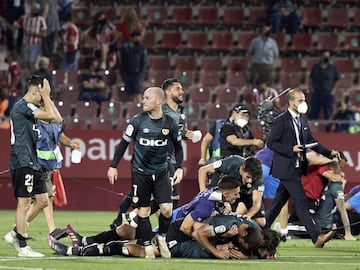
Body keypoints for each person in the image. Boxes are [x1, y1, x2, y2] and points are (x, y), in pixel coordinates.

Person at [107, 87, 184, 244]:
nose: (143, 101)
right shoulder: (137, 121)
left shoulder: (170, 123)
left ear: (158, 101)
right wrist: (113, 166)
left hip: (161, 171)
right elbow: (123, 144)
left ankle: (162, 238)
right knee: (143, 211)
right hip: (140, 172)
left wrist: (180, 168)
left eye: (147, 98)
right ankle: (147, 243)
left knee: (167, 209)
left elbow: (178, 147)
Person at [265, 88, 338, 248]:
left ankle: (261, 230)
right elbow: (271, 143)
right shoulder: (281, 120)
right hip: (286, 168)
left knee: (278, 202)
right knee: (301, 202)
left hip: (298, 167)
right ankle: (316, 237)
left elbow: (312, 141)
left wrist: (329, 152)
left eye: (304, 99)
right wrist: (290, 149)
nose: (304, 103)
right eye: (300, 100)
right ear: (291, 102)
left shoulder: (302, 120)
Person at [5, 76, 62, 257]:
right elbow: (51, 116)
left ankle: (15, 233)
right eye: (42, 93)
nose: (44, 98)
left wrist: (47, 97)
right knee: (24, 203)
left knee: (43, 200)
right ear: (34, 91)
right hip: (22, 160)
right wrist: (46, 97)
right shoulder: (22, 107)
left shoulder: (33, 108)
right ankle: (22, 246)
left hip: (33, 161)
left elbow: (57, 119)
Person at [24, 98, 80, 238]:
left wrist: (71, 145)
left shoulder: (55, 124)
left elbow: (61, 136)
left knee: (44, 199)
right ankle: (20, 229)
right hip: (36, 167)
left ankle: (47, 230)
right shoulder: (34, 125)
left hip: (48, 168)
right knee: (40, 200)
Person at [198, 155, 265, 227]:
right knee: (221, 213)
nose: (250, 181)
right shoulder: (232, 162)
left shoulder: (259, 178)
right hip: (227, 189)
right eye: (248, 177)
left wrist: (248, 216)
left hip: (246, 193)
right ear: (242, 169)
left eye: (253, 178)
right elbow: (203, 170)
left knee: (261, 222)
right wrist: (203, 193)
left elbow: (256, 203)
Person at [1, 3, 47, 73]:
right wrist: (4, 21)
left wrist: (32, 34)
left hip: (35, 44)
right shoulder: (24, 18)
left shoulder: (41, 20)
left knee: (31, 64)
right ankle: (29, 78)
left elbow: (44, 33)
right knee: (25, 64)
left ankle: (37, 78)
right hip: (25, 43)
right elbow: (13, 28)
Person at [308, 50, 340, 120]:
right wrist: (312, 89)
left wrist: (333, 91)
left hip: (328, 95)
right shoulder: (315, 67)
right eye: (325, 56)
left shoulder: (333, 68)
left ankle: (328, 130)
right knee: (313, 114)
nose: (326, 58)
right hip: (316, 94)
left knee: (328, 115)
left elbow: (337, 80)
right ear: (321, 57)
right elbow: (310, 78)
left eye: (328, 57)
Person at [119, 31, 148, 103]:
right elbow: (122, 63)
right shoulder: (125, 49)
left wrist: (140, 75)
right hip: (128, 75)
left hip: (137, 74)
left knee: (137, 94)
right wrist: (123, 75)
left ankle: (139, 110)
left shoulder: (142, 50)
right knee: (131, 95)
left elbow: (144, 64)